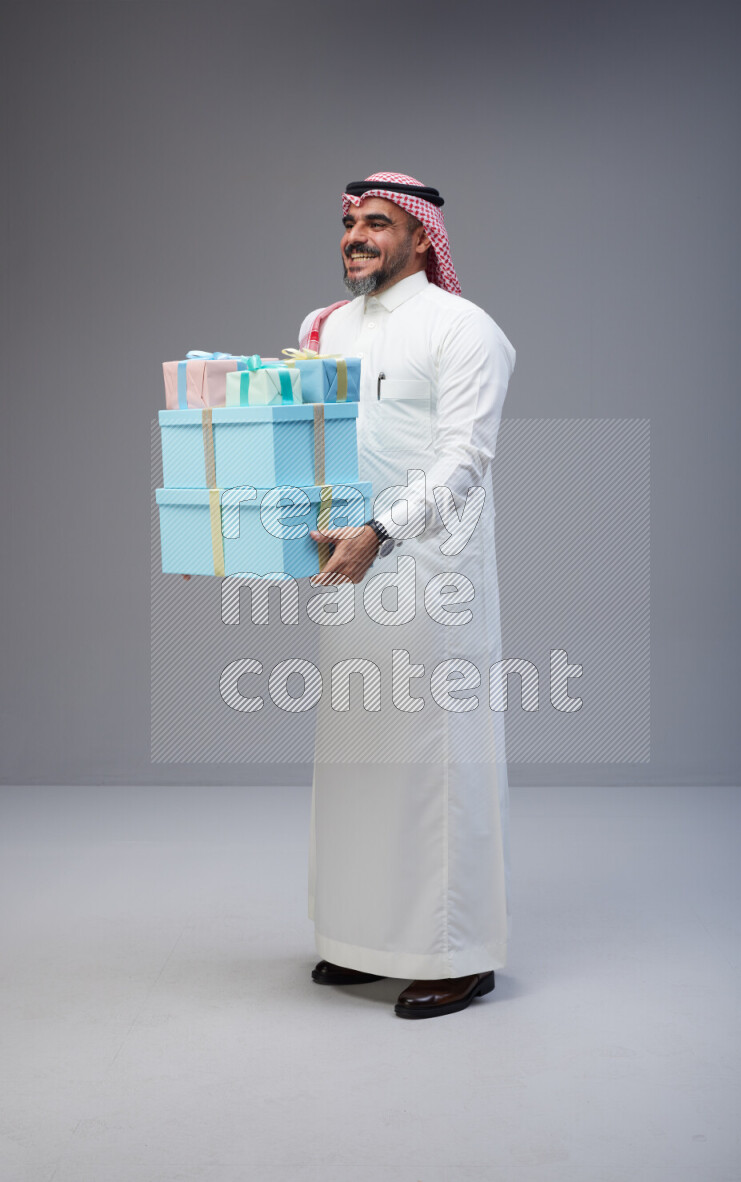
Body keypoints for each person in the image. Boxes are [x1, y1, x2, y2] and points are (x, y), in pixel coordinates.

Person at [301, 171, 516, 1019]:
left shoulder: (463, 328)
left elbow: (463, 459)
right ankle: (363, 941)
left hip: (432, 582)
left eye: (378, 222)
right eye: (351, 221)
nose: (357, 235)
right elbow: (303, 450)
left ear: (423, 237)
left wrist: (383, 532)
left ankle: (457, 954)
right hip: (347, 575)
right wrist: (232, 534)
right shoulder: (324, 329)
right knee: (357, 760)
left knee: (437, 765)